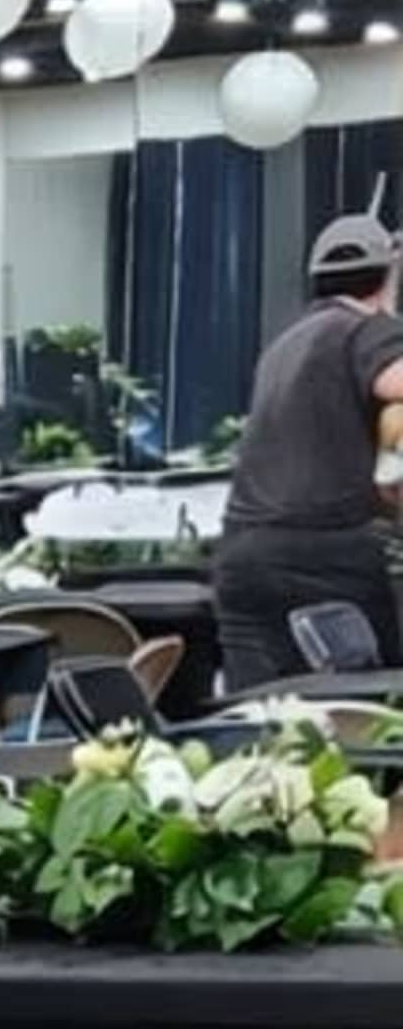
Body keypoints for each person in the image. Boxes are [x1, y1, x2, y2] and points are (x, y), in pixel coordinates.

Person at [213, 214, 403, 690]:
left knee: (261, 724)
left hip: (242, 559)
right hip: (326, 556)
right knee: (374, 718)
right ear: (388, 278)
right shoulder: (365, 327)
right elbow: (396, 383)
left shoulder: (283, 344)